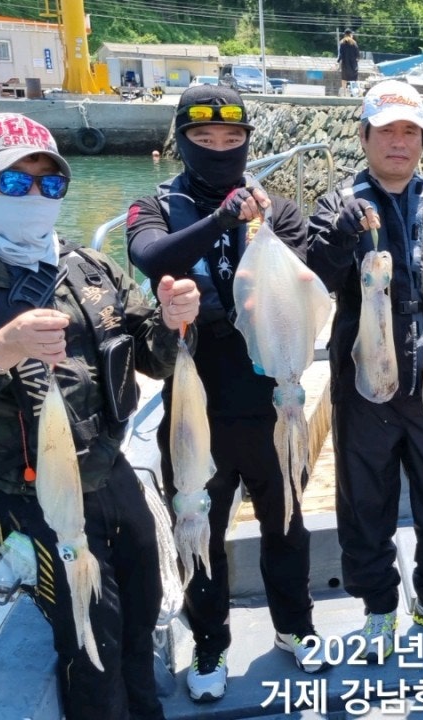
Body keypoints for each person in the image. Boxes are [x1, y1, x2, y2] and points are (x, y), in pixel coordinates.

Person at [0, 112, 200, 720]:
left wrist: (174, 320)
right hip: (26, 497)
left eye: (49, 183)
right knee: (90, 641)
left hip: (110, 472)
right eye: (12, 181)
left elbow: (152, 357)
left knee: (142, 613)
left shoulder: (88, 267)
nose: (32, 196)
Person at [125, 84, 329, 702]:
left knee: (286, 521)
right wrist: (220, 220)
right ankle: (210, 642)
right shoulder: (153, 206)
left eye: (232, 138)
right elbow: (150, 256)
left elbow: (301, 282)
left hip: (269, 399)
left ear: (247, 143)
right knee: (199, 526)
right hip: (195, 399)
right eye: (204, 138)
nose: (219, 148)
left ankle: (295, 626)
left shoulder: (279, 211)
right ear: (182, 142)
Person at [307, 79, 423, 658]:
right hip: (362, 376)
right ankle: (379, 608)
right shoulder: (337, 203)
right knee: (365, 500)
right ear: (363, 136)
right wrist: (340, 237)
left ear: (422, 141)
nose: (398, 142)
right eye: (386, 130)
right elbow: (314, 278)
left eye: (409, 131)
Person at [338, 29, 359, 97]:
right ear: (350, 34)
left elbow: (341, 54)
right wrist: (357, 59)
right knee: (354, 79)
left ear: (345, 35)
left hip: (345, 64)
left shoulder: (342, 43)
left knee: (344, 79)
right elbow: (357, 54)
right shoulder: (354, 43)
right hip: (353, 64)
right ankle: (355, 93)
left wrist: (338, 62)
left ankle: (344, 94)